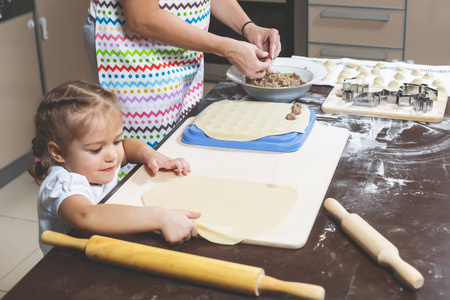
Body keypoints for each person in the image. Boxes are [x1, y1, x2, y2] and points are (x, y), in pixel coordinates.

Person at [83, 0, 281, 178]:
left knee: (177, 149)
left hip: (183, 50)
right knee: (144, 162)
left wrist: (248, 27)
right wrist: (225, 48)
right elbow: (142, 17)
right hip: (132, 52)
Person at [28, 80, 200, 255]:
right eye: (96, 149)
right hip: (69, 267)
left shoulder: (101, 161)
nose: (112, 156)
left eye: (115, 141)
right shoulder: (62, 183)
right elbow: (86, 217)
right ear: (58, 153)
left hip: (102, 249)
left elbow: (127, 146)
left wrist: (151, 155)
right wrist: (160, 217)